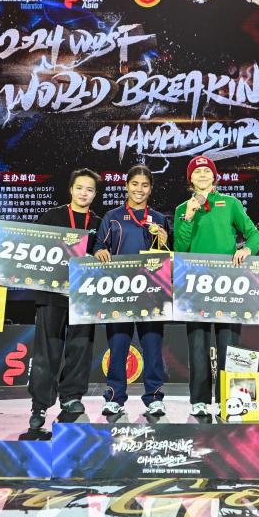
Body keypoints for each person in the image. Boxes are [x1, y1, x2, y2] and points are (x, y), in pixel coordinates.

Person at [173, 155, 259, 418]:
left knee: (229, 344)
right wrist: (189, 217)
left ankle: (229, 399)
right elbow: (180, 248)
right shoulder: (182, 209)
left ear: (214, 176)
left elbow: (254, 233)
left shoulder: (230, 203)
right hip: (195, 285)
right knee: (197, 345)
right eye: (196, 171)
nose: (202, 175)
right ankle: (199, 400)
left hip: (228, 284)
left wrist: (247, 249)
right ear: (190, 179)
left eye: (206, 171)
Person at [26, 168, 102, 431]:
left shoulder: (99, 222)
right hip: (51, 295)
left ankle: (71, 397)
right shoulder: (52, 216)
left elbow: (105, 254)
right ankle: (39, 405)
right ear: (71, 189)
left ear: (95, 194)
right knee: (46, 351)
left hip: (83, 296)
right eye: (79, 188)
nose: (84, 193)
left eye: (89, 190)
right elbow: (27, 247)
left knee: (80, 349)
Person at [93, 164, 171, 418]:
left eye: (145, 185)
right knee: (118, 346)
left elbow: (166, 256)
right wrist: (99, 251)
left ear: (151, 189)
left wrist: (164, 240)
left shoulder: (159, 219)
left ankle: (154, 398)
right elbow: (99, 245)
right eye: (135, 184)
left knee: (152, 347)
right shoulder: (112, 217)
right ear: (126, 186)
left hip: (151, 291)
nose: (139, 189)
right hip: (120, 291)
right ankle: (114, 397)